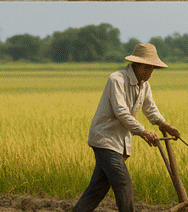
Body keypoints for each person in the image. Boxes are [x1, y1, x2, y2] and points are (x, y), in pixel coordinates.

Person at [72, 43, 180, 212]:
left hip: (118, 143)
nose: (151, 72)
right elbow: (121, 112)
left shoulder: (144, 85)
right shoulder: (117, 79)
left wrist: (163, 123)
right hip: (105, 139)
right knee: (124, 184)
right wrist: (143, 132)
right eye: (149, 68)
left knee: (97, 189)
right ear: (139, 65)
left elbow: (150, 108)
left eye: (153, 68)